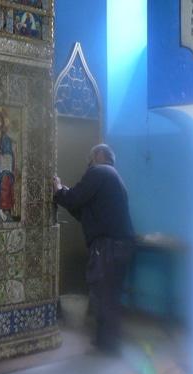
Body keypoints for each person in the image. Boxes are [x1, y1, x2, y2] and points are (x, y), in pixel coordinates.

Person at [53, 144, 134, 354]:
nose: (88, 164)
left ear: (99, 156)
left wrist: (59, 190)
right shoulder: (113, 178)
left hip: (108, 246)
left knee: (103, 293)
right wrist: (64, 194)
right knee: (110, 294)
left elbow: (75, 198)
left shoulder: (99, 172)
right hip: (120, 245)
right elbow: (82, 210)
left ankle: (108, 345)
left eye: (90, 159)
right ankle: (107, 341)